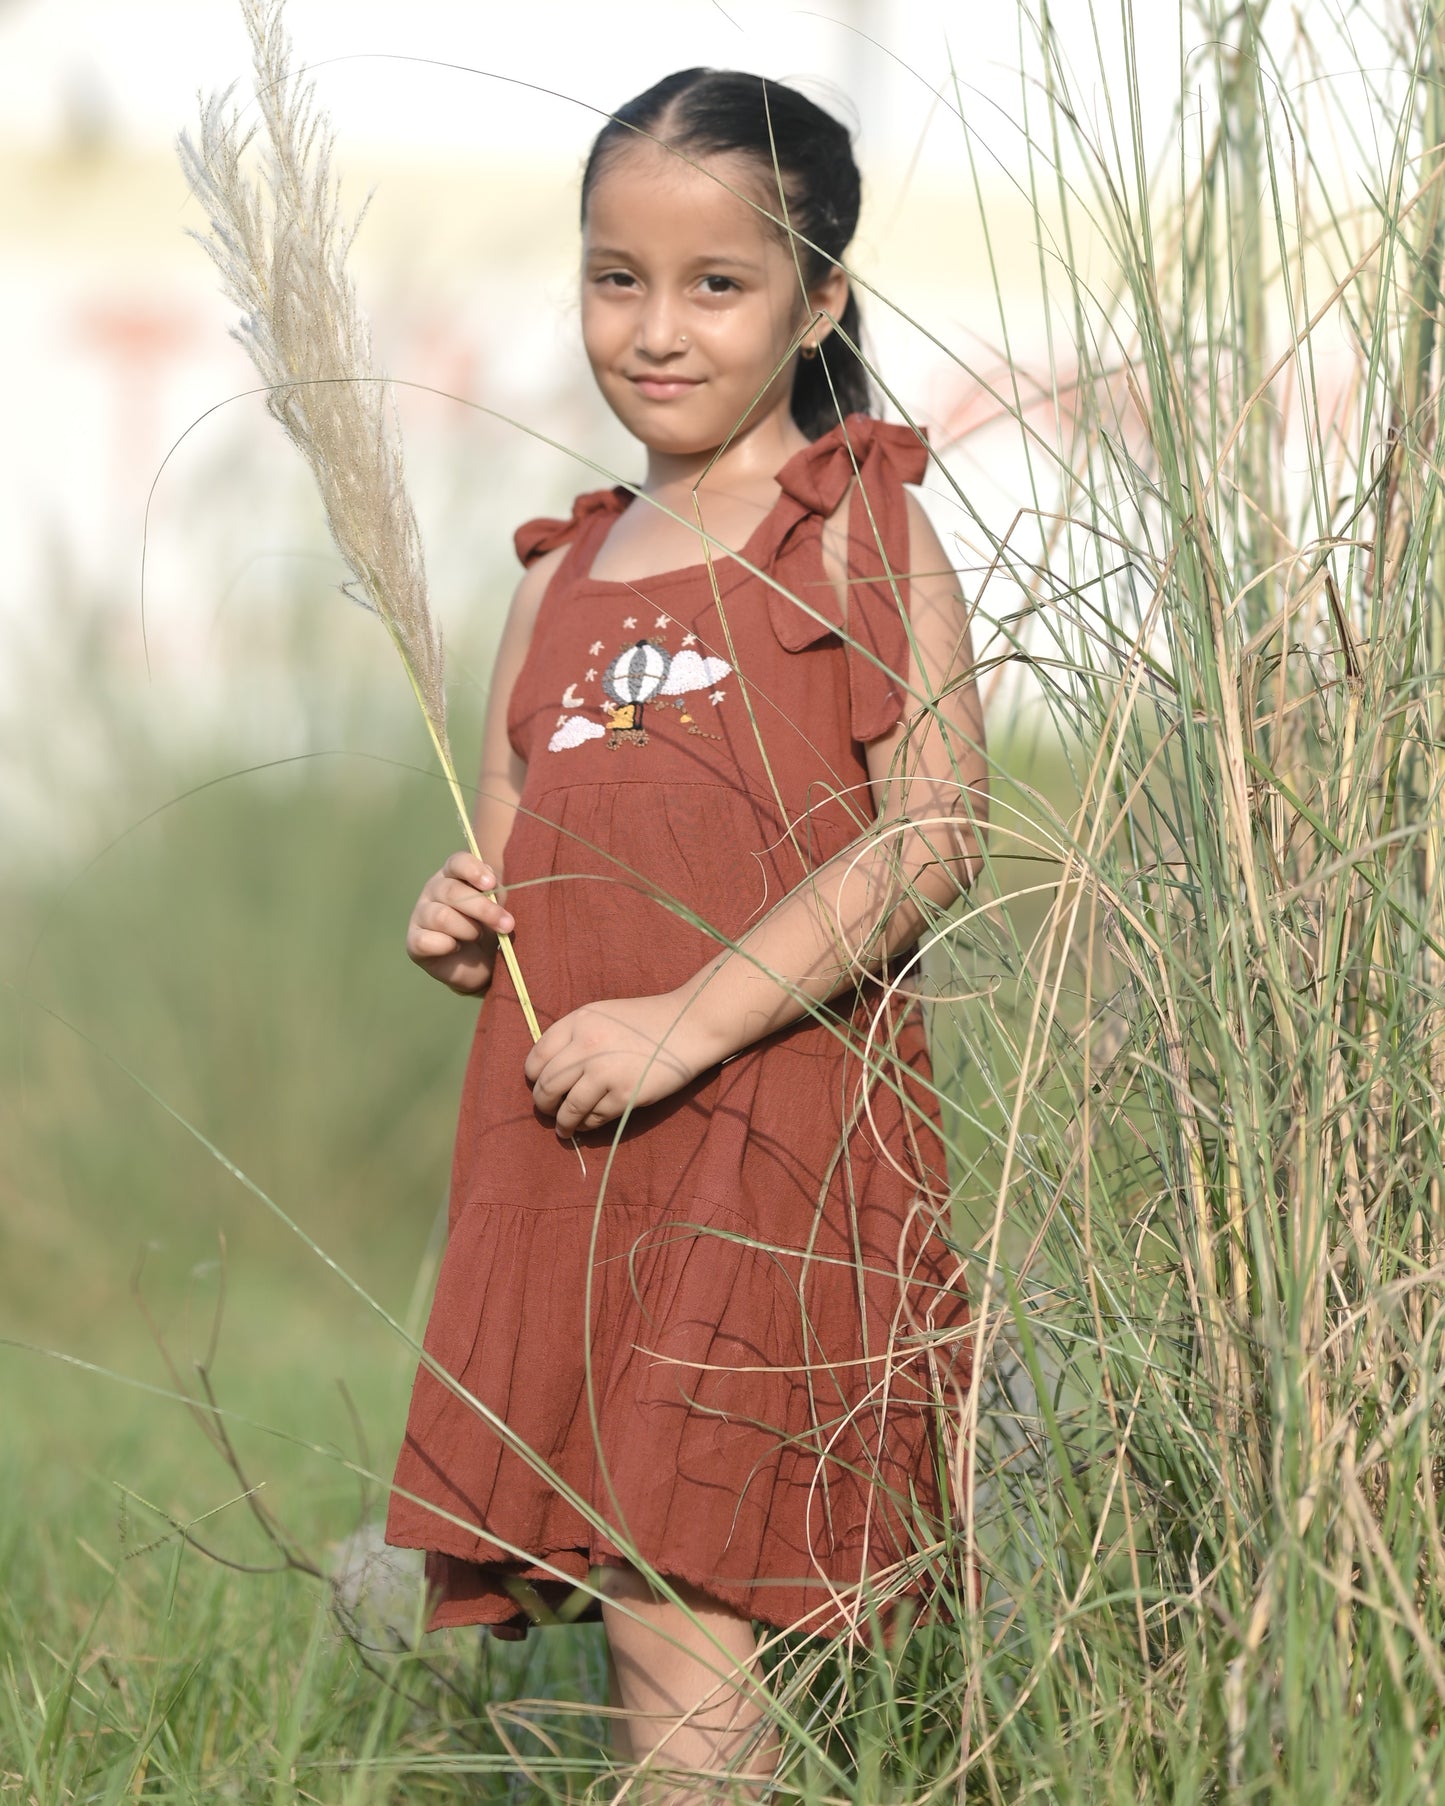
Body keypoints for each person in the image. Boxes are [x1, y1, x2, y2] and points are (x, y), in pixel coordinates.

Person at [384, 66, 987, 1802]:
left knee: (681, 1606)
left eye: (715, 285)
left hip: (767, 1143)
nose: (655, 329)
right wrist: (457, 912)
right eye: (615, 276)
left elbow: (934, 829)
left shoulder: (854, 526)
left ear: (820, 300)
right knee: (659, 1602)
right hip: (576, 1161)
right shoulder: (557, 577)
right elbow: (518, 841)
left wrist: (690, 1019)